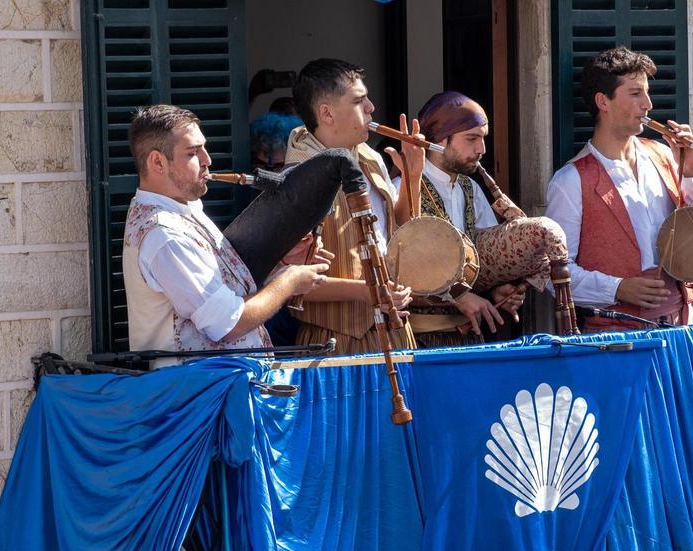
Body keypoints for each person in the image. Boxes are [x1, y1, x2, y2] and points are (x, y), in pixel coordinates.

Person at [121, 104, 331, 358]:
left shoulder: (182, 210)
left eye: (204, 149)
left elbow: (228, 294)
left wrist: (282, 265)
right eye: (192, 153)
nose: (207, 161)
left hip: (222, 387)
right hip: (202, 392)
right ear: (158, 162)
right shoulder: (165, 234)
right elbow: (227, 324)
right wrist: (288, 282)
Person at [545, 46, 693, 332]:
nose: (648, 104)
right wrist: (618, 289)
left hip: (682, 327)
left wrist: (690, 171)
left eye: (647, 92)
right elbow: (553, 275)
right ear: (603, 101)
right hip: (616, 337)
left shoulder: (664, 156)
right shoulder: (570, 181)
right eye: (636, 93)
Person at [396, 91, 569, 347]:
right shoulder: (402, 187)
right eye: (471, 139)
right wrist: (460, 298)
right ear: (441, 140)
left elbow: (481, 263)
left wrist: (497, 290)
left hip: (468, 336)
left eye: (482, 138)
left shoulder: (471, 189)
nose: (482, 149)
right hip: (417, 338)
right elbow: (398, 269)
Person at [283, 58, 422, 355]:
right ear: (327, 113)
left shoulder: (368, 157)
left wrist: (413, 175)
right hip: (335, 340)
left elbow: (401, 233)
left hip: (393, 326)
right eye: (359, 101)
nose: (371, 107)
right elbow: (290, 281)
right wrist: (370, 291)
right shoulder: (299, 177)